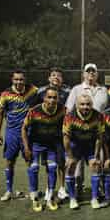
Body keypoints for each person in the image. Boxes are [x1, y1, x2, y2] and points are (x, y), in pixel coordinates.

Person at [65, 63, 108, 195]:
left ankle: (98, 191)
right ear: (83, 74)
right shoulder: (76, 89)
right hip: (78, 135)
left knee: (97, 162)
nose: (91, 74)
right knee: (77, 167)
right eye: (88, 72)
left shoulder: (104, 90)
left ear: (97, 74)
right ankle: (77, 191)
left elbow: (109, 110)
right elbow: (68, 111)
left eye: (93, 72)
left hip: (96, 135)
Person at [0, 70, 38, 201]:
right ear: (12, 80)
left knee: (29, 160)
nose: (19, 82)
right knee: (9, 161)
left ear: (25, 80)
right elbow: (0, 113)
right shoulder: (5, 94)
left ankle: (33, 191)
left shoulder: (33, 90)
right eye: (16, 79)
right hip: (11, 133)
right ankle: (9, 191)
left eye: (21, 79)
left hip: (28, 132)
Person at [21, 87, 65, 211]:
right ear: (44, 98)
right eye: (49, 97)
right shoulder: (34, 111)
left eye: (55, 97)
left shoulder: (63, 110)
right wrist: (26, 147)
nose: (52, 100)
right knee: (34, 168)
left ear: (58, 98)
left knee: (52, 168)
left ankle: (50, 197)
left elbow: (68, 125)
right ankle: (35, 198)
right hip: (36, 145)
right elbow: (24, 128)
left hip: (51, 145)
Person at [63, 94, 105, 209]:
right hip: (75, 145)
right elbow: (66, 138)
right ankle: (72, 198)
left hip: (90, 145)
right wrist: (70, 157)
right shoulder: (70, 116)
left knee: (95, 166)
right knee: (70, 167)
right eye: (82, 104)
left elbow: (99, 137)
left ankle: (94, 198)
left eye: (88, 104)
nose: (85, 106)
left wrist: (96, 155)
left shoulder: (98, 116)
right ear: (77, 105)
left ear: (91, 105)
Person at [37, 67, 71, 200]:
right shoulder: (40, 91)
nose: (56, 77)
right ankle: (49, 188)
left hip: (61, 132)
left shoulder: (68, 91)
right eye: (53, 75)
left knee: (61, 162)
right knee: (49, 164)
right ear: (49, 78)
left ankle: (62, 188)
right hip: (45, 133)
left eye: (59, 75)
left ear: (62, 79)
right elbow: (35, 109)